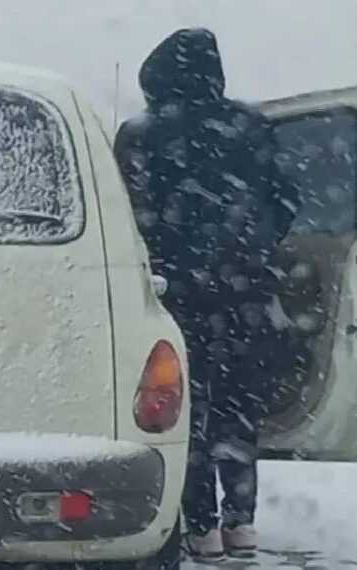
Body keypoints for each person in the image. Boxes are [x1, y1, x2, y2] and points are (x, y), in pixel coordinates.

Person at [114, 28, 299, 559]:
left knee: (185, 412)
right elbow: (286, 199)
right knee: (239, 411)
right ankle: (242, 523)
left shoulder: (140, 134)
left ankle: (201, 527)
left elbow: (126, 212)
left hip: (176, 295)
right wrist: (254, 248)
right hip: (246, 295)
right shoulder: (252, 125)